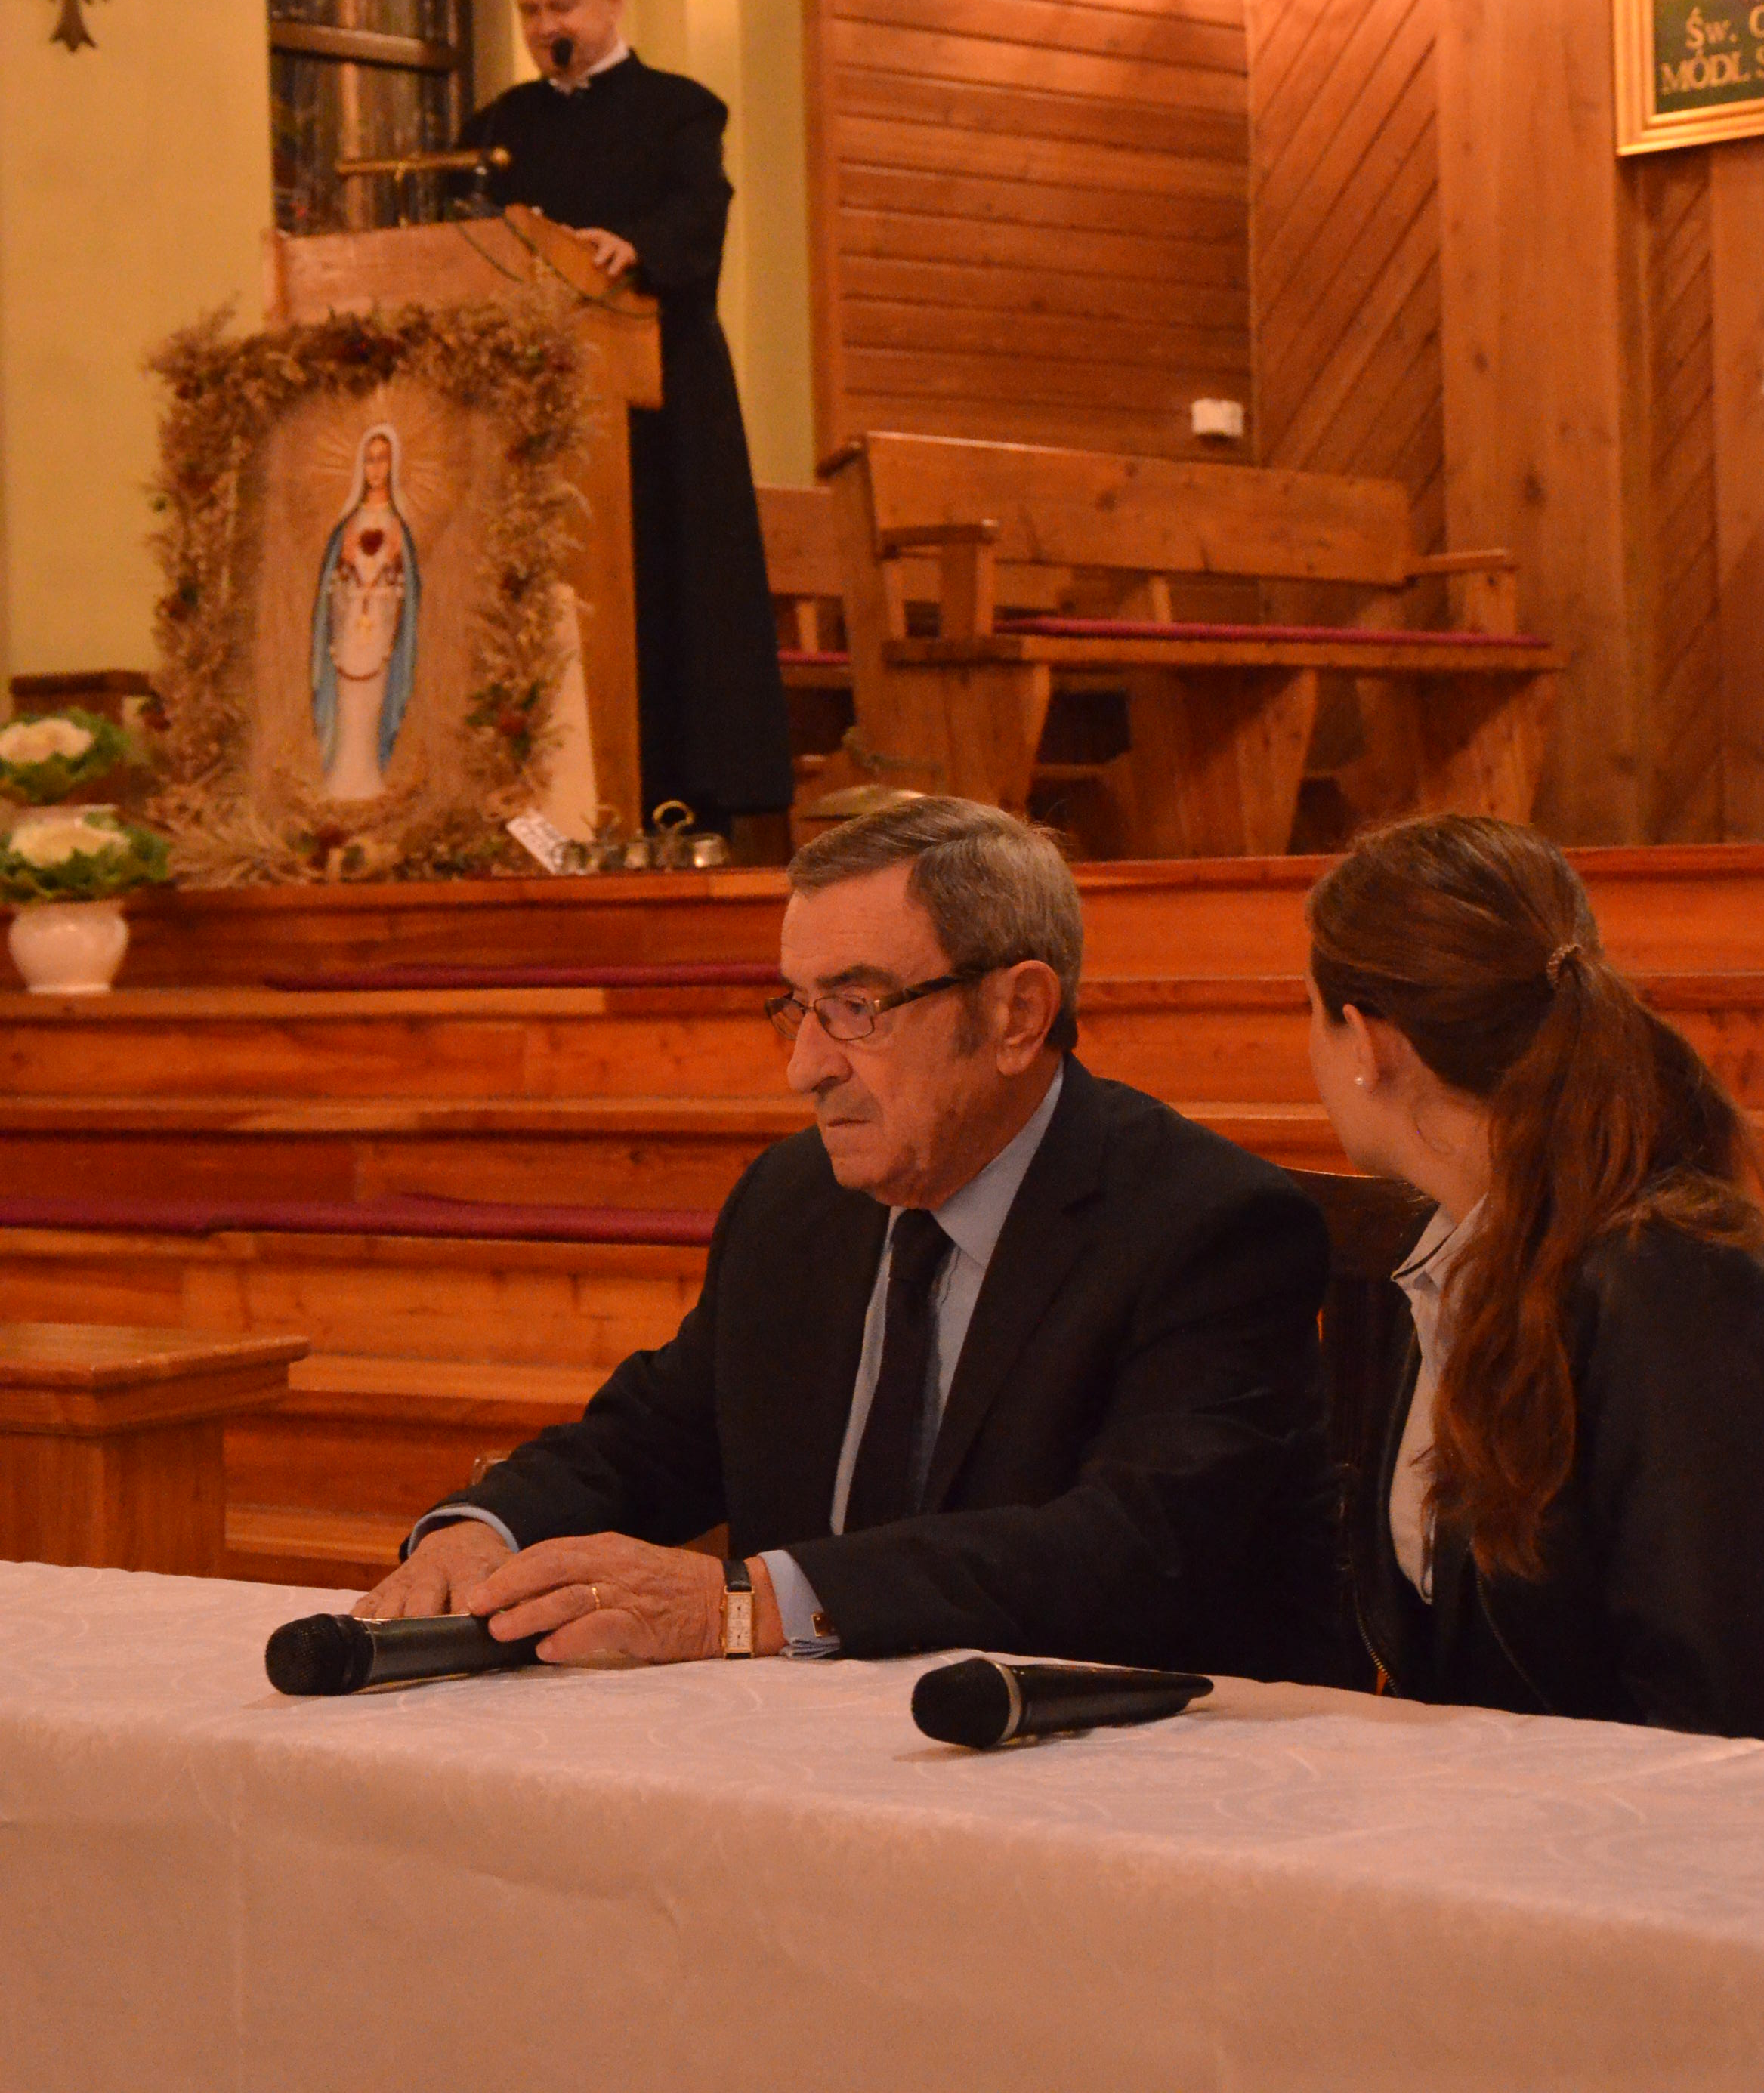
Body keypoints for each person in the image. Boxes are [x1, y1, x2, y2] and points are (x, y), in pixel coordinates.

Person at [357, 796, 1342, 1680]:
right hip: (817, 1756)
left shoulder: (1207, 1227)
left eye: (855, 1009)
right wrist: (483, 1531)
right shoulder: (794, 1200)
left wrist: (753, 1606)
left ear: (1018, 1014)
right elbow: (659, 1436)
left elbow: (1129, 1551)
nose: (805, 1067)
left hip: (1108, 1772)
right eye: (798, 1007)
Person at [1305, 811, 1764, 1742]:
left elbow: (1733, 1713)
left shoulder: (1674, 1290)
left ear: (1367, 1044)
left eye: (1307, 1011)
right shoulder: (1446, 1257)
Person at [462, 0, 790, 830]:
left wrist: (633, 245)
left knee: (669, 594)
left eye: (562, 6)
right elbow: (467, 234)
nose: (546, 26)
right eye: (530, 11)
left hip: (660, 401)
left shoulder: (680, 111)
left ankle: (683, 805)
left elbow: (699, 213)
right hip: (535, 408)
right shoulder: (498, 130)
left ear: (612, 1)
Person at [310, 424, 419, 800]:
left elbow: (406, 586)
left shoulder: (398, 526)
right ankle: (341, 779)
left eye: (382, 459)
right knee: (348, 700)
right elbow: (334, 580)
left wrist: (387, 585)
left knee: (373, 700)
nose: (376, 468)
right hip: (349, 627)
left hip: (382, 628)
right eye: (369, 460)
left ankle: (371, 778)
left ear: (394, 464)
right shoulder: (349, 524)